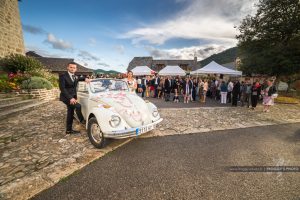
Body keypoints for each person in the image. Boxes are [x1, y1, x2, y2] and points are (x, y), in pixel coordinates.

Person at [59, 62, 90, 134]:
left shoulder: (75, 76)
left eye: (74, 68)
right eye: (71, 67)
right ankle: (82, 120)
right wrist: (70, 98)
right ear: (68, 67)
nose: (72, 69)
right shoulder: (63, 76)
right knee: (78, 106)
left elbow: (81, 78)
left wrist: (86, 79)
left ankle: (68, 130)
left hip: (73, 97)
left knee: (70, 113)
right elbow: (62, 89)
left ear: (76, 69)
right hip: (66, 97)